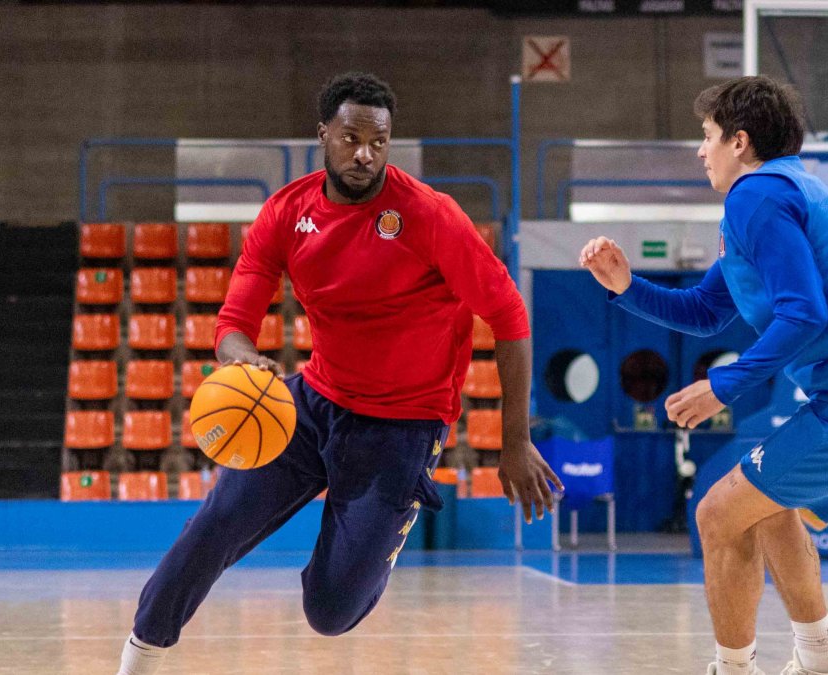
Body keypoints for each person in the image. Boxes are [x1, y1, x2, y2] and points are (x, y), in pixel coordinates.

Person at [117, 72, 562, 675]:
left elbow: (509, 316)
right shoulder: (285, 212)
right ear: (323, 134)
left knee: (330, 611)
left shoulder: (430, 215)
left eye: (378, 143)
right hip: (314, 404)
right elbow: (233, 320)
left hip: (402, 426)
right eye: (351, 138)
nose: (364, 154)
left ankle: (359, 546)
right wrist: (239, 354)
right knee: (215, 522)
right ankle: (138, 655)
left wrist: (515, 440)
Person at [580, 76, 828, 675]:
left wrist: (722, 387)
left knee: (715, 514)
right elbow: (703, 311)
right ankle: (821, 661)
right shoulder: (785, 196)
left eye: (707, 137)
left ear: (740, 142)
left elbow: (805, 312)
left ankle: (734, 669)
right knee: (767, 506)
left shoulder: (756, 197)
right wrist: (627, 287)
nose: (701, 151)